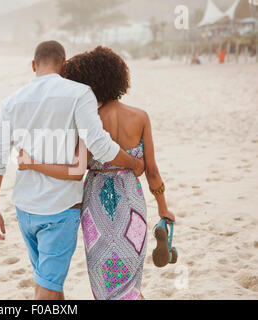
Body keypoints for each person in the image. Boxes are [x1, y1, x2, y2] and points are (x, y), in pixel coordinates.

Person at [0, 41, 145, 300]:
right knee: (47, 288)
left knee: (48, 282)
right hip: (59, 210)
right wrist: (134, 163)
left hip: (25, 209)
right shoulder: (80, 94)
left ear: (34, 65)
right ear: (63, 63)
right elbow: (99, 144)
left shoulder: (12, 102)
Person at [18, 46, 176, 300]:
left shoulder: (88, 121)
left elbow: (76, 169)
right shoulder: (140, 117)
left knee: (106, 281)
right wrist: (163, 208)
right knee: (129, 282)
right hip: (131, 203)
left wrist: (32, 163)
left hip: (96, 207)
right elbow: (153, 171)